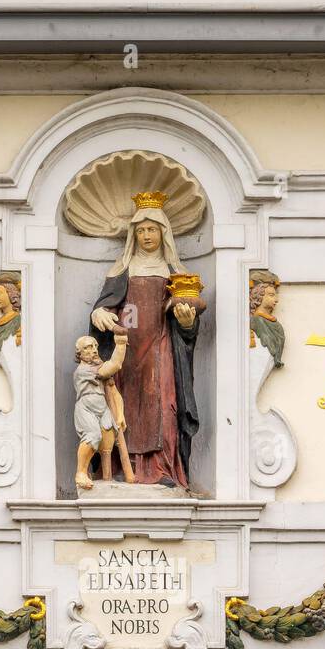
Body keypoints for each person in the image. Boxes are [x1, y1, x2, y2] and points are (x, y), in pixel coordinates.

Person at [90, 192, 200, 487]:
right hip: (127, 346)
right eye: (141, 230)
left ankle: (162, 468)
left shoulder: (175, 273)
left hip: (161, 346)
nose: (146, 235)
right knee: (125, 407)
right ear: (133, 234)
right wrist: (99, 314)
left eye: (152, 229)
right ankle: (121, 467)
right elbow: (110, 306)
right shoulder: (122, 270)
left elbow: (186, 320)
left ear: (163, 233)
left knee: (164, 404)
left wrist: (187, 323)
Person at [73, 332, 129, 490]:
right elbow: (114, 366)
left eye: (95, 346)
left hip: (102, 407)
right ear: (80, 353)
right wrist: (120, 345)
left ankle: (107, 479)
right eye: (89, 347)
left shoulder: (98, 367)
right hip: (87, 407)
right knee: (92, 436)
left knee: (108, 441)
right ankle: (81, 473)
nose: (94, 350)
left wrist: (120, 414)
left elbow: (114, 392)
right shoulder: (83, 371)